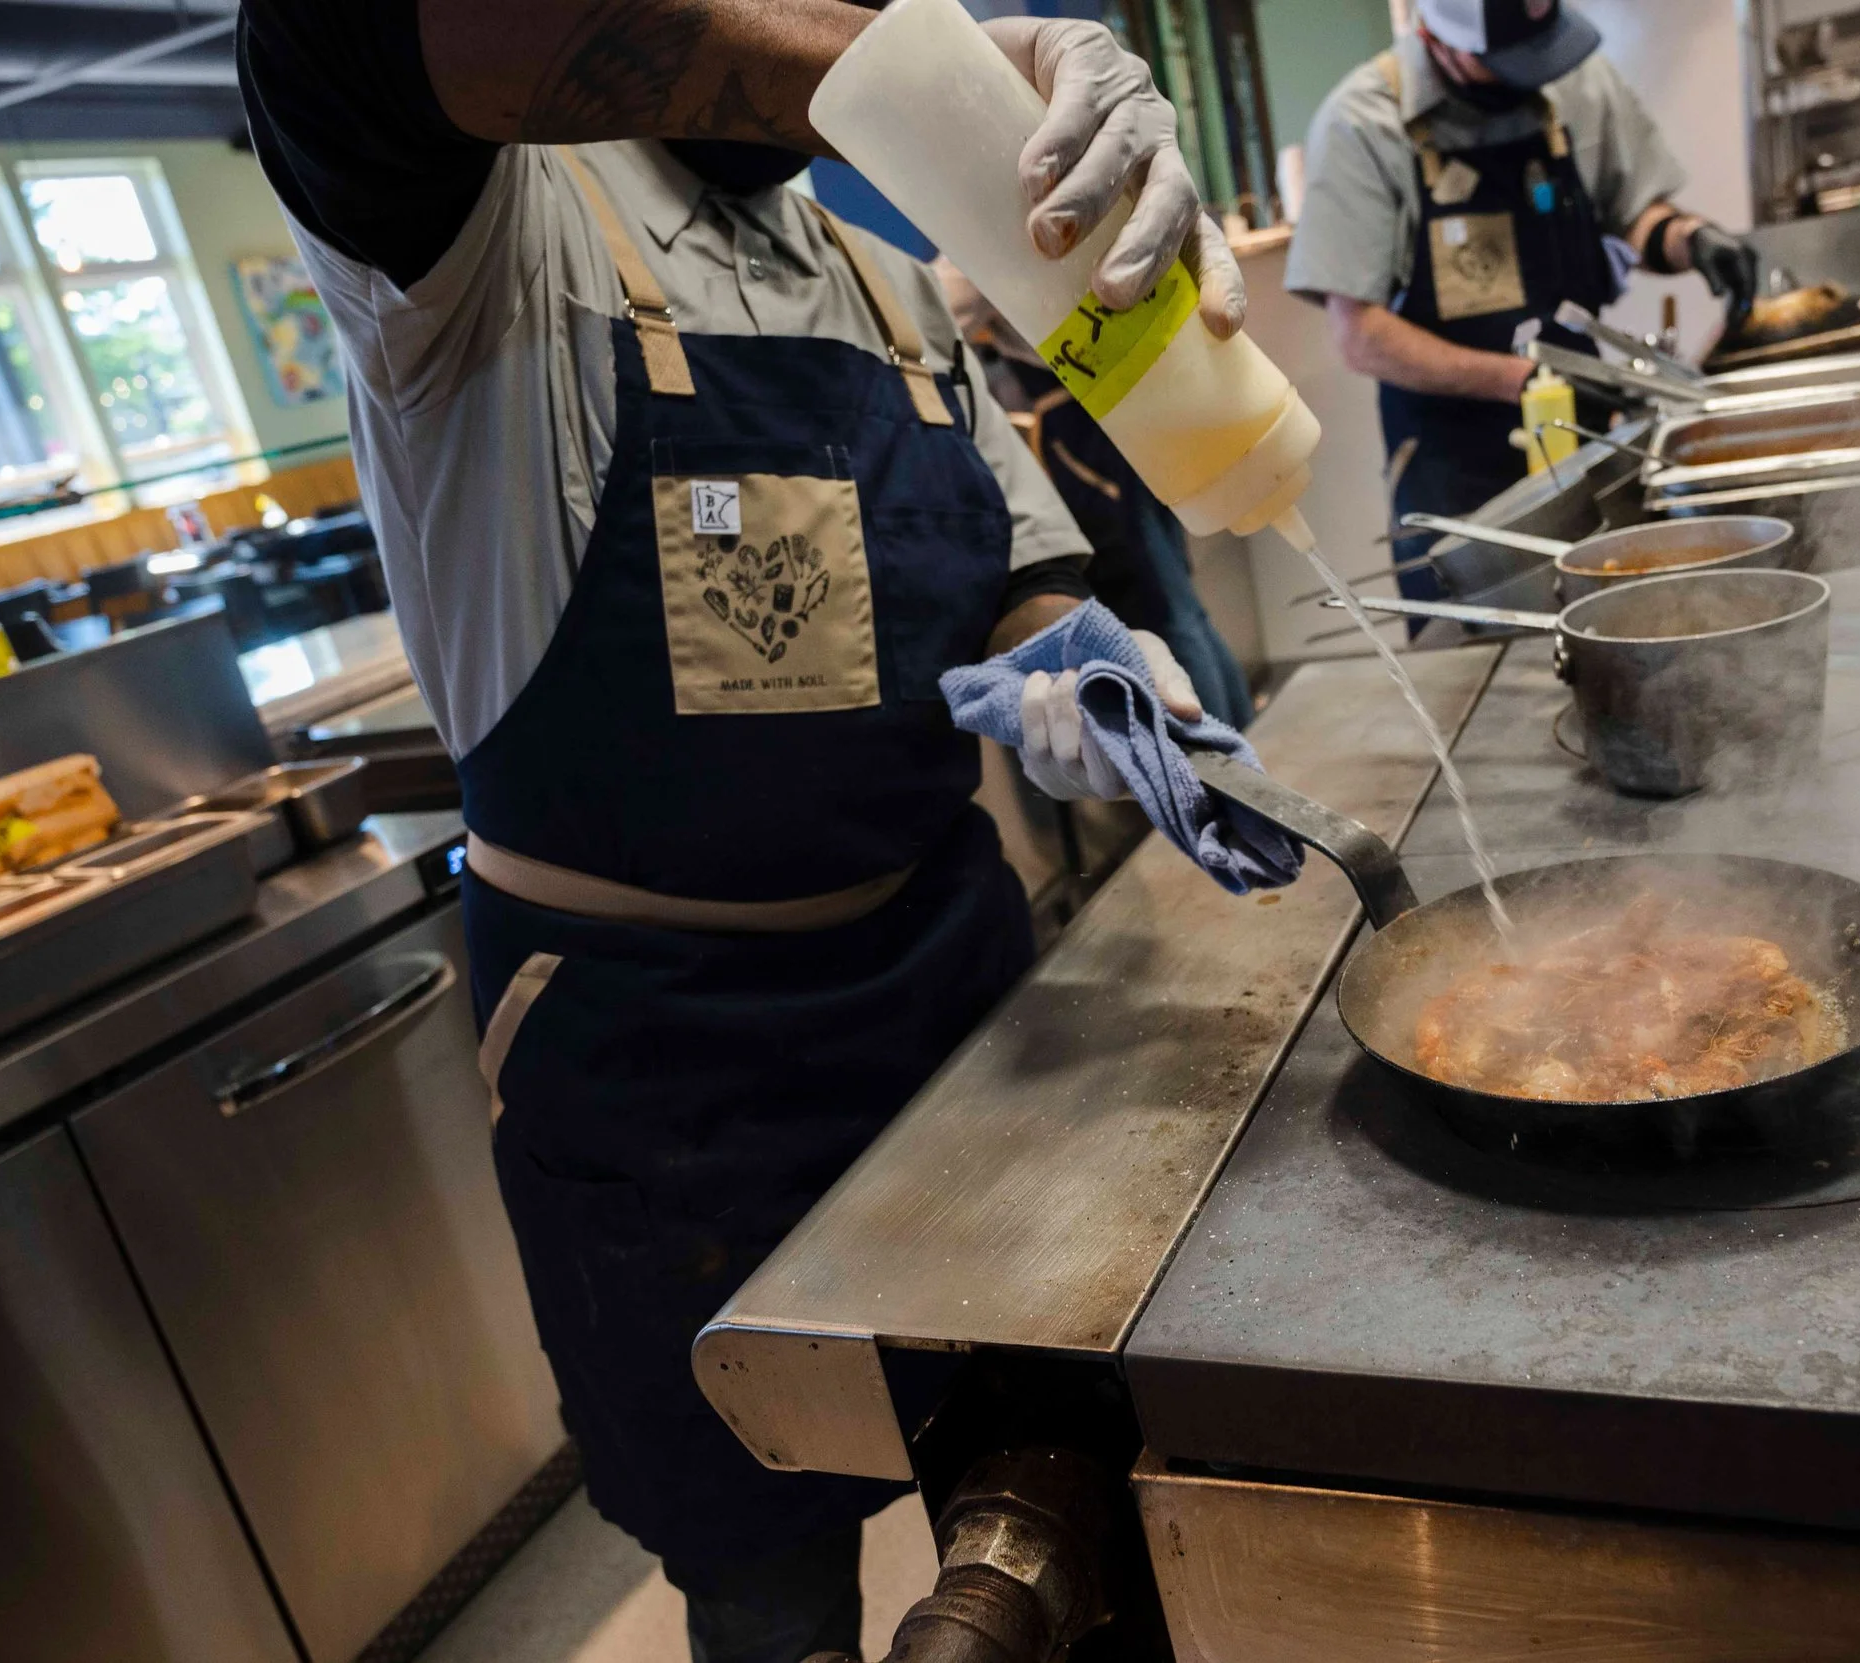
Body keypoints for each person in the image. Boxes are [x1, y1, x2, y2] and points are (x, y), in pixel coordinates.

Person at [233, 3, 1240, 1657]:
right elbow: (332, 45)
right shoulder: (488, 238)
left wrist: (1078, 666)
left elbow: (1018, 567)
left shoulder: (892, 275)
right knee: (765, 1579)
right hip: (668, 1075)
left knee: (1042, 1503)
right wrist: (917, 81)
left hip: (957, 1017)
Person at [1286, 0, 1761, 603]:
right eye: (1507, 62)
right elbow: (1361, 336)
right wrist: (1528, 380)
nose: (1535, 76)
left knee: (1622, 619)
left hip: (1590, 445)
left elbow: (1634, 214)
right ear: (1436, 37)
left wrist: (1688, 239)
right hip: (1455, 476)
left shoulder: (1575, 78)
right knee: (1482, 669)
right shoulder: (1364, 125)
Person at [936, 260, 1256, 728]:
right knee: (1181, 604)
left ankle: (1219, 765)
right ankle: (1241, 744)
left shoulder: (975, 236)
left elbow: (933, 317)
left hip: (1088, 438)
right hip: (1127, 416)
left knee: (1158, 612)